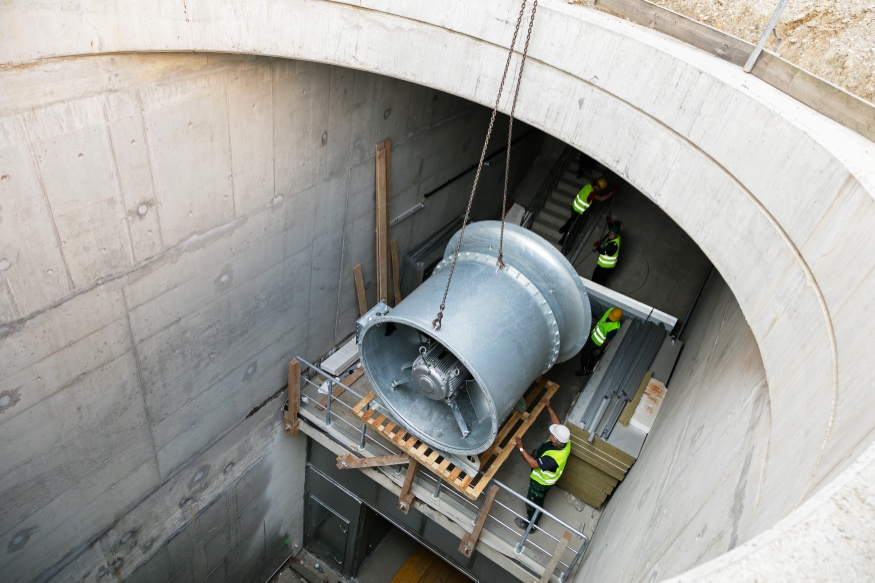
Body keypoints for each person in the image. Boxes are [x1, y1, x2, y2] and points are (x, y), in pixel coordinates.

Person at [513, 400, 571, 529]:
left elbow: (533, 464)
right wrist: (549, 406)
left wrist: (521, 448)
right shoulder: (565, 443)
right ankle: (536, 510)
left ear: (555, 440)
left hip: (540, 484)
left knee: (533, 502)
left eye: (552, 433)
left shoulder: (552, 459)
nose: (550, 432)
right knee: (539, 500)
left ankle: (531, 524)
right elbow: (557, 423)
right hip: (546, 478)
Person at [558, 178, 615, 245]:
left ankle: (562, 229)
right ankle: (562, 241)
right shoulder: (592, 193)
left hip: (574, 206)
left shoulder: (588, 185)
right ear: (597, 186)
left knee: (571, 219)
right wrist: (612, 193)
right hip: (578, 211)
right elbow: (601, 199)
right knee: (572, 227)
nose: (599, 190)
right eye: (600, 189)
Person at [576, 307, 623, 376]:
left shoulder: (614, 328)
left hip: (596, 344)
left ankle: (585, 370)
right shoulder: (610, 311)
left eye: (612, 319)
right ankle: (587, 365)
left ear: (617, 319)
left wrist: (599, 349)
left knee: (587, 357)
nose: (610, 318)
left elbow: (607, 340)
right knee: (584, 350)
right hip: (593, 335)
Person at [591, 219, 621, 286]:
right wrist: (609, 223)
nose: (610, 235)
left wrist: (597, 247)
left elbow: (603, 252)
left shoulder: (613, 245)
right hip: (602, 265)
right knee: (595, 275)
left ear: (617, 234)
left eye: (612, 234)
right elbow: (612, 229)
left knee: (599, 281)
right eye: (610, 233)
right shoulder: (616, 237)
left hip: (606, 267)